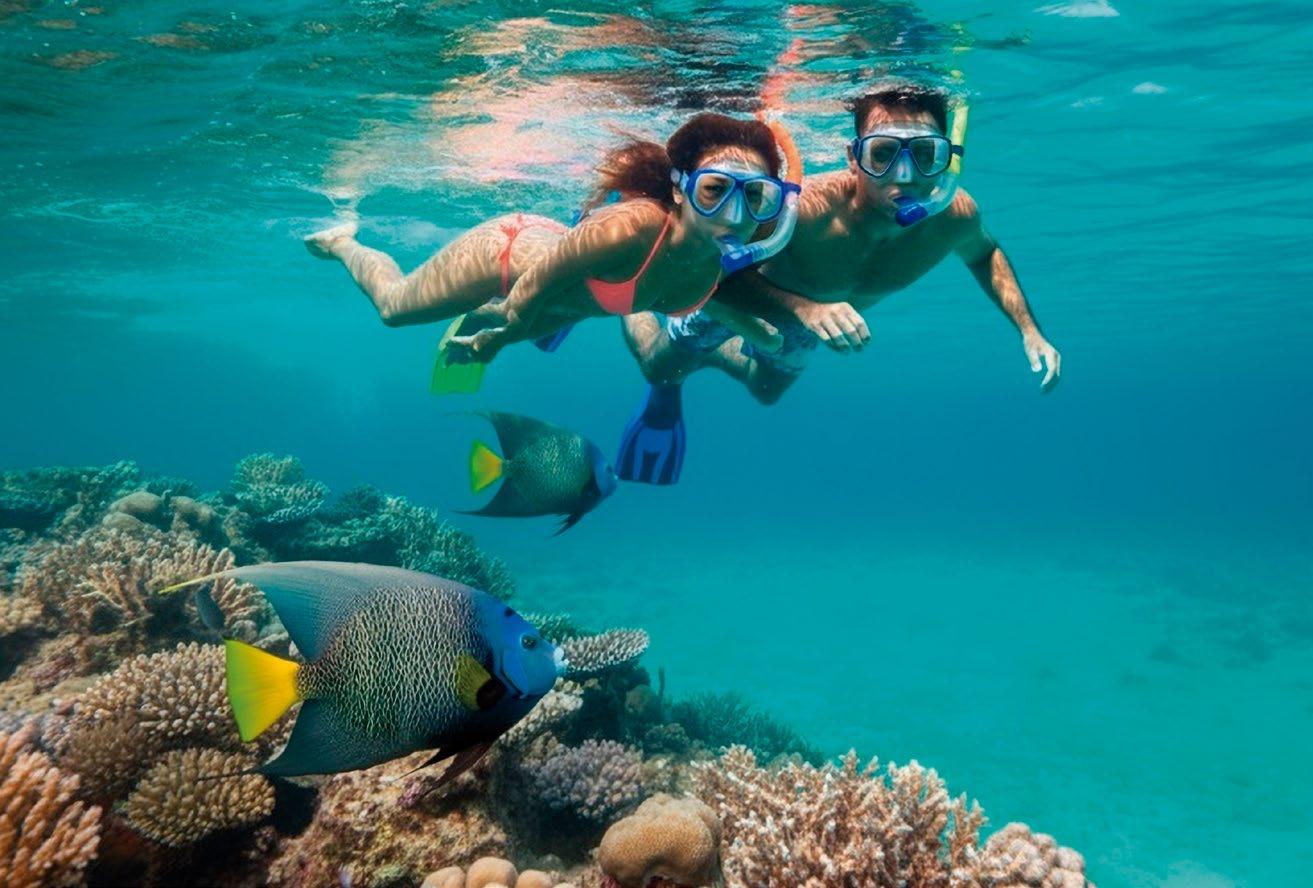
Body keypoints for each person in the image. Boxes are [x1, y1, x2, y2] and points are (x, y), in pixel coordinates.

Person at [617, 84, 1061, 482]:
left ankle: (712, 356)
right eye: (883, 154)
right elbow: (710, 273)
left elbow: (984, 253)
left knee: (765, 391)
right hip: (739, 298)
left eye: (925, 154)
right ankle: (636, 300)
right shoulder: (803, 213)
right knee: (659, 368)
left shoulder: (954, 216)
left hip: (808, 324)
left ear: (945, 160)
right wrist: (805, 309)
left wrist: (1029, 329)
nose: (905, 175)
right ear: (853, 157)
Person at [304, 113, 797, 379]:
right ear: (680, 190)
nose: (735, 214)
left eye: (755, 196)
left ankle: (491, 313)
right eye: (714, 190)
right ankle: (343, 243)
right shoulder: (632, 229)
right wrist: (501, 336)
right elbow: (535, 287)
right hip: (506, 257)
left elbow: (705, 299)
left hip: (568, 294)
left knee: (547, 306)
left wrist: (765, 335)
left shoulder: (716, 257)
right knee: (394, 309)